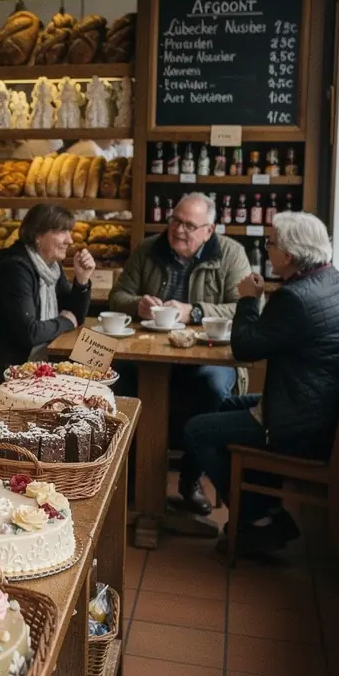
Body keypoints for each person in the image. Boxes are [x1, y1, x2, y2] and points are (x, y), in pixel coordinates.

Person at [182, 211, 339, 555]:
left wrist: (249, 299)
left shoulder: (294, 298)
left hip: (295, 425)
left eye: (270, 243)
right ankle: (264, 508)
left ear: (287, 256)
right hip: (315, 409)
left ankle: (256, 518)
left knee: (196, 430)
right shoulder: (332, 280)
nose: (266, 248)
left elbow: (245, 347)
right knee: (223, 405)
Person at [108, 192, 250, 515]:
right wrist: (137, 304)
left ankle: (191, 476)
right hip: (149, 351)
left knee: (212, 387)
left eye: (189, 224)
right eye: (175, 220)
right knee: (116, 380)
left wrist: (195, 312)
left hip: (205, 354)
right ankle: (133, 476)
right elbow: (118, 296)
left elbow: (244, 306)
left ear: (209, 231)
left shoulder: (231, 255)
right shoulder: (148, 249)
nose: (179, 230)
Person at [0, 203, 95, 385]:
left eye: (69, 231)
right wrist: (66, 321)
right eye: (62, 232)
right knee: (86, 383)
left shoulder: (50, 267)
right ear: (38, 236)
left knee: (95, 373)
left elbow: (76, 316)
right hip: (2, 373)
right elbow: (30, 333)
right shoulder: (14, 269)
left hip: (29, 364)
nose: (70, 240)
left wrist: (81, 280)